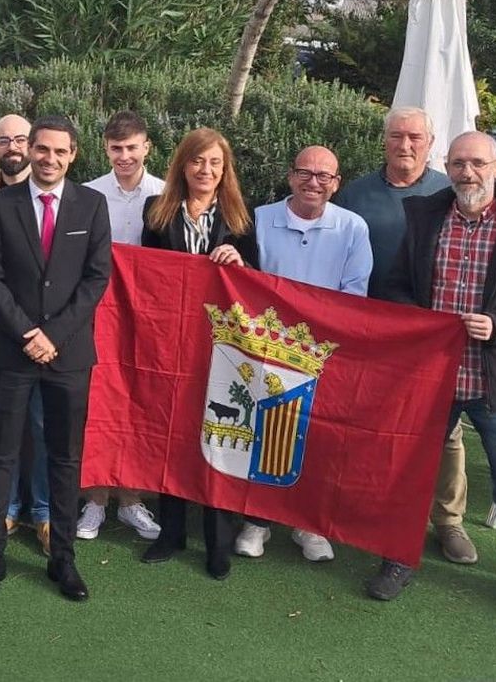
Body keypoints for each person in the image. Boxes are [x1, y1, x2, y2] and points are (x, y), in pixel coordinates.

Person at [370, 131, 496, 622]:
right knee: (410, 475)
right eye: (458, 163)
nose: (467, 173)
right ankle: (398, 558)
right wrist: (417, 322)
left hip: (494, 381)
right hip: (431, 379)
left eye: (478, 163)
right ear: (447, 166)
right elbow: (395, 287)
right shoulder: (425, 217)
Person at [0, 116, 112, 603]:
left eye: (60, 151)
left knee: (65, 457)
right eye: (42, 149)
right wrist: (28, 333)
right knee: (0, 455)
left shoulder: (92, 206)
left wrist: (52, 335)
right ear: (29, 150)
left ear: (73, 155)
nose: (49, 158)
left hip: (69, 355)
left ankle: (64, 560)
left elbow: (96, 279)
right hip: (13, 351)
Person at [335, 106, 475, 566]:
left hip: (433, 336)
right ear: (384, 140)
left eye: (415, 136)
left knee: (445, 431)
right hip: (370, 328)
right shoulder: (355, 194)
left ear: (430, 143)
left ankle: (448, 521)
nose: (406, 144)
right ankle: (365, 509)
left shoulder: (448, 191)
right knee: (367, 422)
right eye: (397, 135)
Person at [238, 145, 371, 563]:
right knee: (262, 434)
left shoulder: (353, 227)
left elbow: (355, 293)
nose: (314, 182)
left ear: (337, 183)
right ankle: (257, 521)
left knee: (318, 438)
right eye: (305, 173)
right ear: (290, 176)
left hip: (324, 353)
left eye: (324, 176)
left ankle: (308, 525)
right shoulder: (257, 219)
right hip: (263, 349)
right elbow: (245, 284)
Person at [138, 127, 258, 580]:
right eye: (197, 161)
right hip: (173, 345)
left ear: (224, 169)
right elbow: (147, 277)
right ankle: (171, 534)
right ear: (182, 165)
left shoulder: (241, 219)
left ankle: (218, 541)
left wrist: (240, 264)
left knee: (219, 438)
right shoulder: (157, 211)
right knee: (173, 436)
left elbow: (259, 285)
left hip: (224, 349)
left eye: (214, 163)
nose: (205, 170)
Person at [77, 111, 164, 542]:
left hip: (149, 320)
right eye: (116, 149)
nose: (124, 156)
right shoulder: (88, 194)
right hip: (96, 316)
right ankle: (94, 502)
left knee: (139, 404)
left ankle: (131, 501)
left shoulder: (166, 195)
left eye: (132, 148)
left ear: (147, 147)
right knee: (100, 405)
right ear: (105, 149)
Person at [0, 114, 50, 551]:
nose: (13, 147)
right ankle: (7, 508)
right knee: (3, 421)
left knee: (41, 421)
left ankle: (43, 510)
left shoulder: (58, 196)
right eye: (4, 140)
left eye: (21, 139)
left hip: (46, 332)